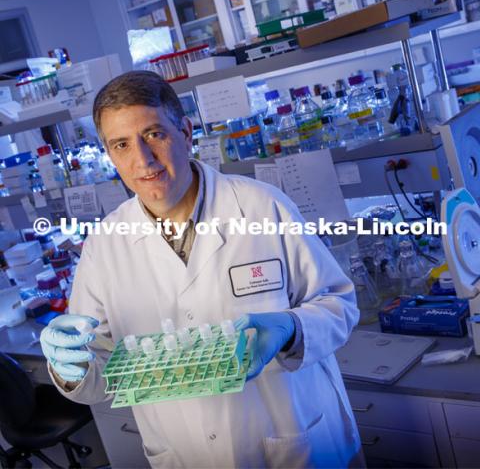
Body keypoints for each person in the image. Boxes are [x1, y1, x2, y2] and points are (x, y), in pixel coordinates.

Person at [40, 71, 362, 468]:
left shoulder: (260, 207)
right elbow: (102, 374)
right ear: (110, 155)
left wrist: (289, 328)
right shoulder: (105, 246)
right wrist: (70, 366)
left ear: (186, 132)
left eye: (154, 134)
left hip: (296, 447)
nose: (142, 160)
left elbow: (340, 306)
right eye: (122, 144)